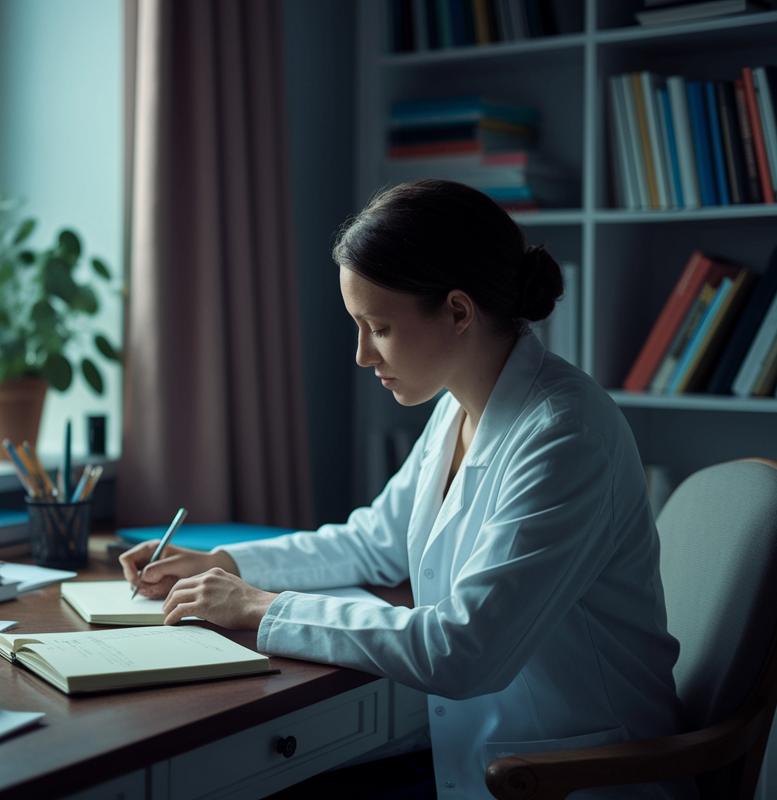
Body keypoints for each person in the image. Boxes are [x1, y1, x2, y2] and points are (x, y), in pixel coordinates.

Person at [120, 180, 695, 798]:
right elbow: (375, 542)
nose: (363, 355)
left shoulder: (565, 436)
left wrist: (260, 606)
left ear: (457, 311)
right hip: (482, 757)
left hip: (573, 777)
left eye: (379, 327)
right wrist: (226, 564)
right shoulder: (459, 405)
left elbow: (462, 649)